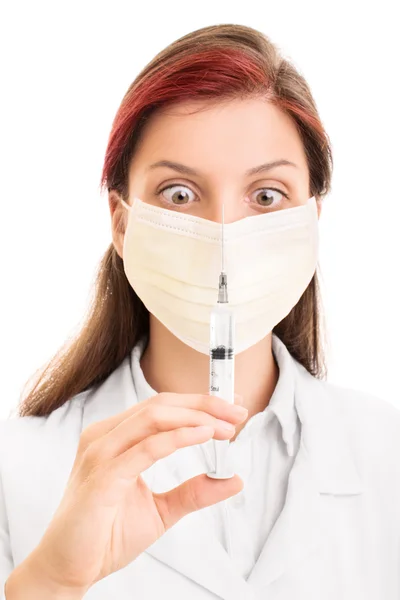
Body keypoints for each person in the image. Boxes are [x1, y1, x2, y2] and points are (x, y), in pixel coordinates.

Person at [1, 23, 400, 600]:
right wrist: (53, 582)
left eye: (266, 196)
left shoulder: (386, 453)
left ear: (313, 218)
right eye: (179, 195)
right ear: (121, 221)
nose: (223, 235)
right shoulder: (19, 467)